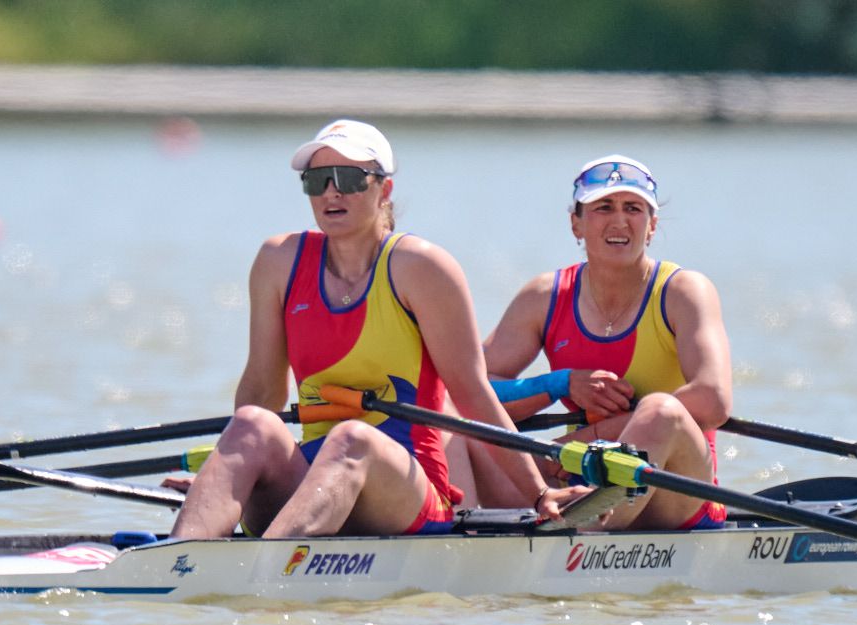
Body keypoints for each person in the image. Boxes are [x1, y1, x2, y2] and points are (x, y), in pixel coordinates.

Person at [168, 120, 583, 539]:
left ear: (384, 190)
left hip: (407, 490)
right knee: (253, 423)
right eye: (317, 180)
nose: (332, 192)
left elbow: (473, 395)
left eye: (349, 179)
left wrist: (538, 493)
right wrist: (227, 478)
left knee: (353, 438)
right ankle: (181, 557)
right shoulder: (278, 261)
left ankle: (268, 566)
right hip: (310, 480)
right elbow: (260, 391)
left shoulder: (422, 268)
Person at [464, 154, 733, 530]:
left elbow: (713, 400)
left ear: (652, 225)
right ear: (577, 223)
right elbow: (471, 390)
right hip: (575, 473)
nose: (619, 220)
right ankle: (448, 531)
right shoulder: (545, 296)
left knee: (661, 411)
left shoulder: (684, 291)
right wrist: (558, 384)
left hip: (673, 491)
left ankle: (575, 535)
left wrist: (588, 437)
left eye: (633, 208)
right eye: (603, 207)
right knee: (462, 433)